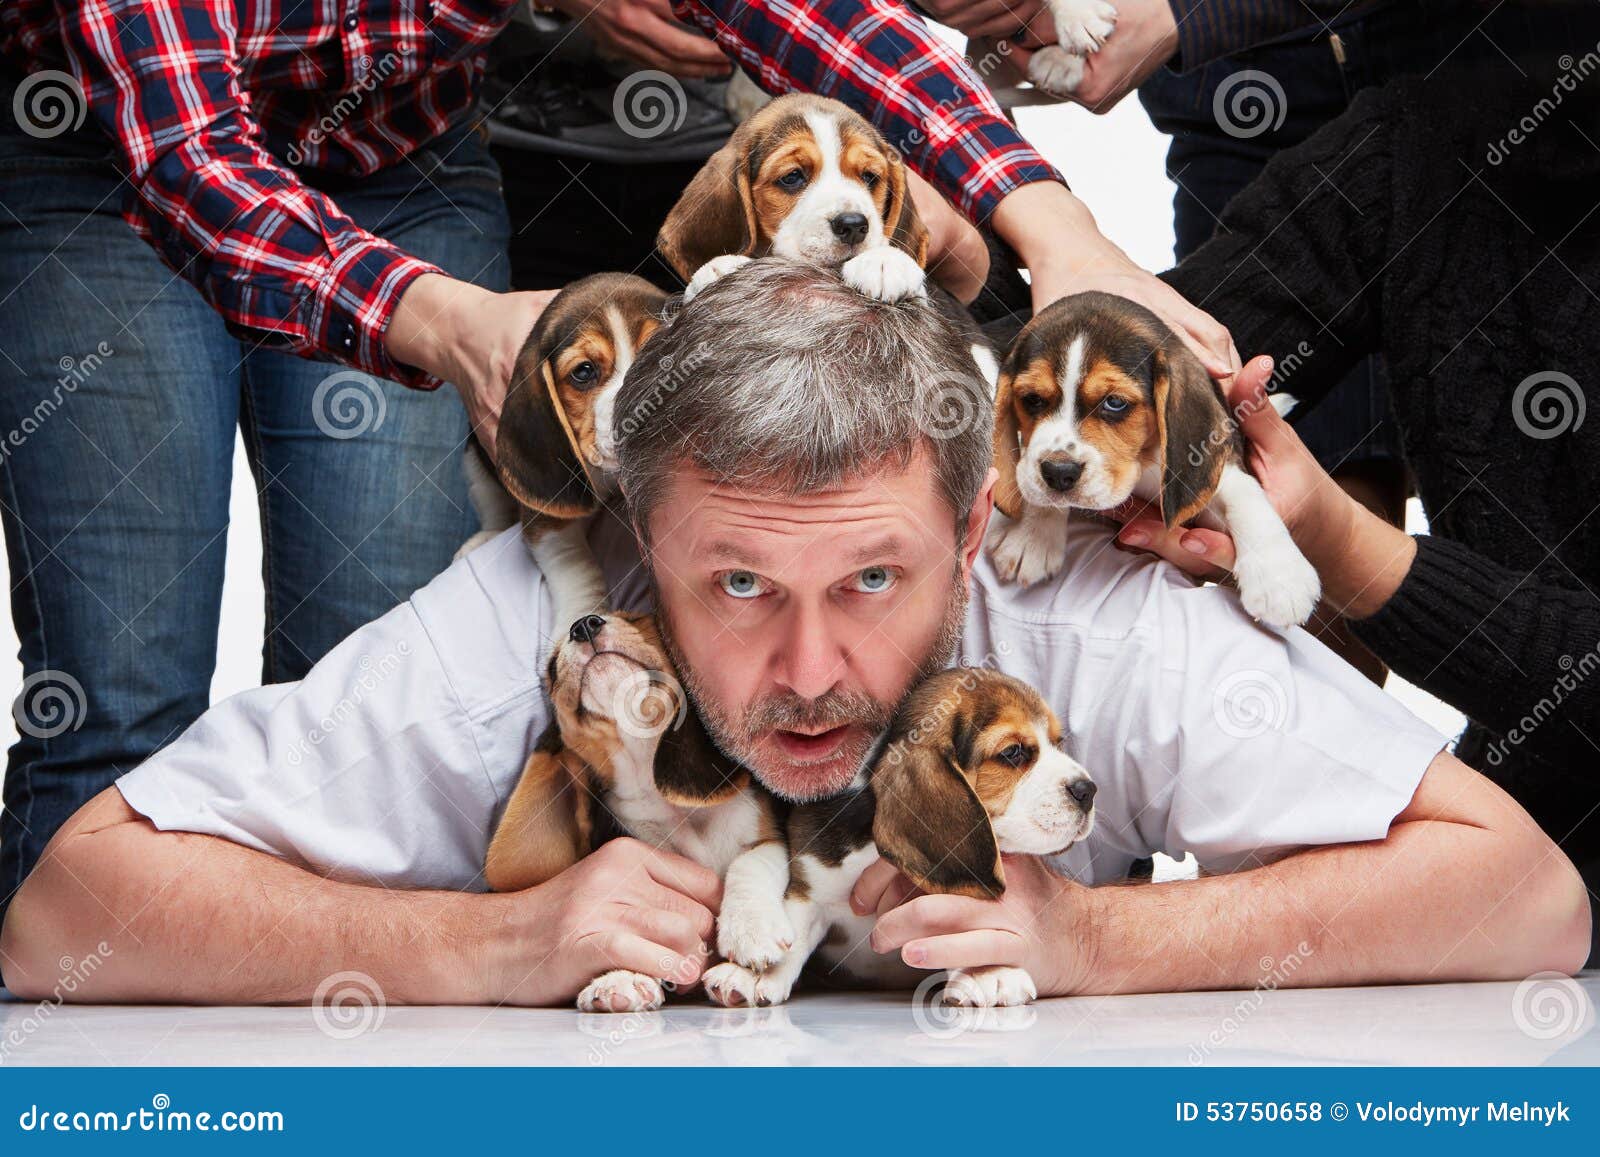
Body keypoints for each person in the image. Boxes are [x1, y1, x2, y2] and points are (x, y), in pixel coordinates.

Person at [1, 261, 1585, 1005]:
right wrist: (486, 944)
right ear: (641, 541)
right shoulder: (552, 597)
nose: (813, 675)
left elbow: (1527, 896)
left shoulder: (1092, 607)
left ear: (976, 534)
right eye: (739, 587)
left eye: (874, 583)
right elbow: (66, 910)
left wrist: (1100, 939)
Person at [0, 0, 1225, 925]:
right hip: (99, 162)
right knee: (121, 701)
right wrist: (448, 322)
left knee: (366, 669)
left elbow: (824, 23)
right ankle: (79, 1074)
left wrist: (1055, 229)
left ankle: (360, 1068)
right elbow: (191, 163)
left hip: (402, 158)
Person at [1110, 70, 1600, 956]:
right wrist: (1000, 238)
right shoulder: (1424, 139)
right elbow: (1148, 354)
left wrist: (1344, 546)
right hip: (1512, 888)